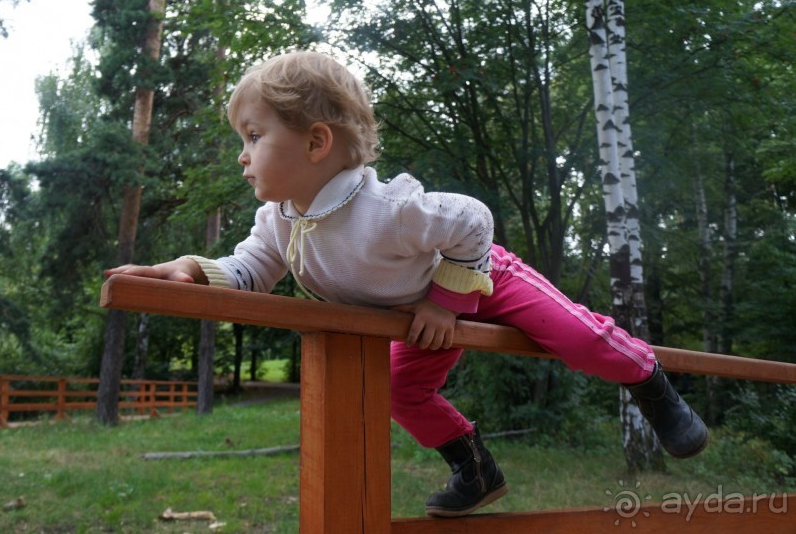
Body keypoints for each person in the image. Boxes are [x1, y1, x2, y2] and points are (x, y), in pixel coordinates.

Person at [105, 51, 709, 518]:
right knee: (398, 388)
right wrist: (192, 270)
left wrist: (447, 301)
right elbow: (250, 271)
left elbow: (473, 222)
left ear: (316, 142)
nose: (242, 155)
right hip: (421, 311)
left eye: (254, 136)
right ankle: (475, 468)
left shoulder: (387, 207)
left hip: (483, 276)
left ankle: (653, 387)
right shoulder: (279, 220)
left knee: (575, 338)